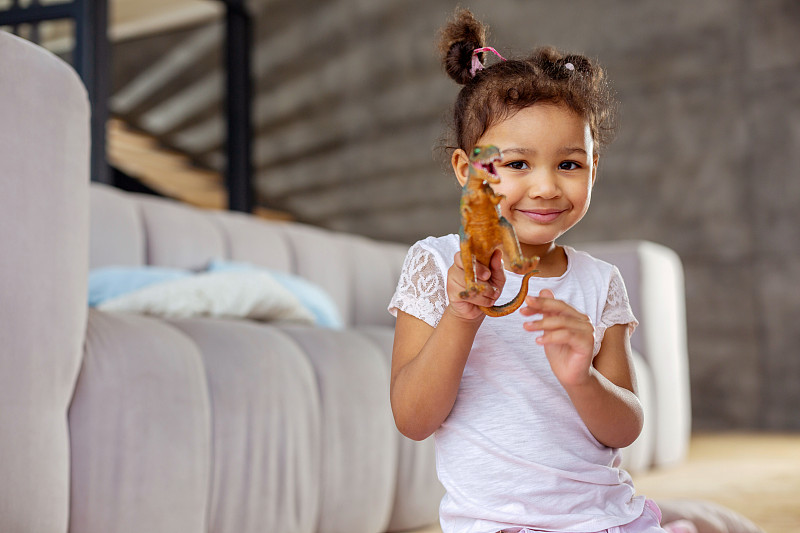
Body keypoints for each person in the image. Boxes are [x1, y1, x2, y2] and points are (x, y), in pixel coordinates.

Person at [388, 8, 669, 533]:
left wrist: (581, 378)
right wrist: (463, 316)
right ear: (466, 171)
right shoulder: (435, 264)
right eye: (517, 164)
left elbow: (624, 430)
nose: (545, 187)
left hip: (606, 520)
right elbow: (413, 418)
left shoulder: (599, 281)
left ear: (593, 167)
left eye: (569, 164)